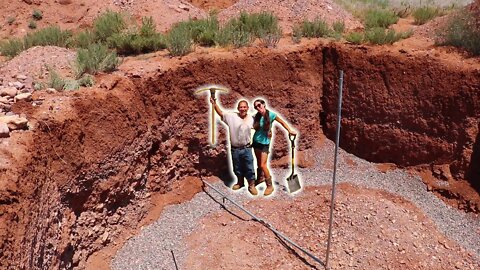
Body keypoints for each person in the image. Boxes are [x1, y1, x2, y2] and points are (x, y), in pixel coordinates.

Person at [210, 96, 259, 196]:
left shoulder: (252, 119)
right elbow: (221, 113)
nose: (243, 109)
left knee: (249, 167)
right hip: (235, 149)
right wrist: (214, 104)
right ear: (238, 108)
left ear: (248, 108)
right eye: (241, 107)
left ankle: (251, 185)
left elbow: (260, 125)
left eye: (245, 107)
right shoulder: (231, 117)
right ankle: (240, 183)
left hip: (247, 148)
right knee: (237, 167)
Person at [252, 98, 297, 196]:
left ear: (264, 104)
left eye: (259, 105)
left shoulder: (271, 115)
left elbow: (282, 122)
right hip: (255, 141)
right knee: (259, 163)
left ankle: (270, 186)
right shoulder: (257, 116)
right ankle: (260, 179)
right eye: (255, 107)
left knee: (263, 165)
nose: (258, 108)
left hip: (264, 143)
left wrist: (290, 130)